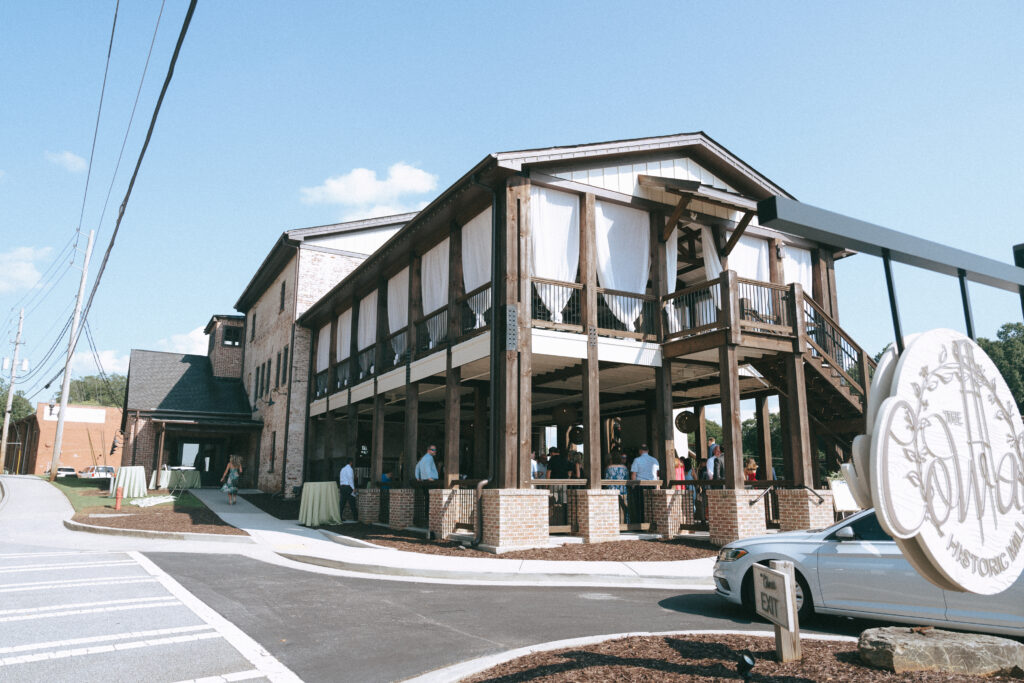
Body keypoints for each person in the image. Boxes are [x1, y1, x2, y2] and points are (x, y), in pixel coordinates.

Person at [604, 450, 629, 523]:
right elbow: (627, 478)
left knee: (612, 509)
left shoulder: (608, 468)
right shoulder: (624, 468)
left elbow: (606, 479)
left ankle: (613, 524)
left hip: (612, 491)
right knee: (624, 509)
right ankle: (624, 524)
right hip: (623, 490)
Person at [338, 457, 358, 522]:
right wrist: (353, 488)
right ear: (351, 462)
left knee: (342, 503)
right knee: (352, 502)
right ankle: (355, 518)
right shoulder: (350, 469)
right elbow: (350, 479)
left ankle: (339, 517)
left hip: (342, 487)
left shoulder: (342, 469)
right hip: (348, 487)